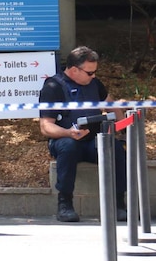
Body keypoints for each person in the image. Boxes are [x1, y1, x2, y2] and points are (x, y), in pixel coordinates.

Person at [38, 46, 127, 222]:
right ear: (73, 70)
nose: (93, 76)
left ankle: (119, 204)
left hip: (92, 140)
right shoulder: (53, 87)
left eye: (94, 72)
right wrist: (68, 133)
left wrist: (123, 130)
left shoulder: (94, 83)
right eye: (89, 72)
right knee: (68, 147)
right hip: (65, 139)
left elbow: (111, 105)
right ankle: (65, 204)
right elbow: (46, 126)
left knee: (115, 148)